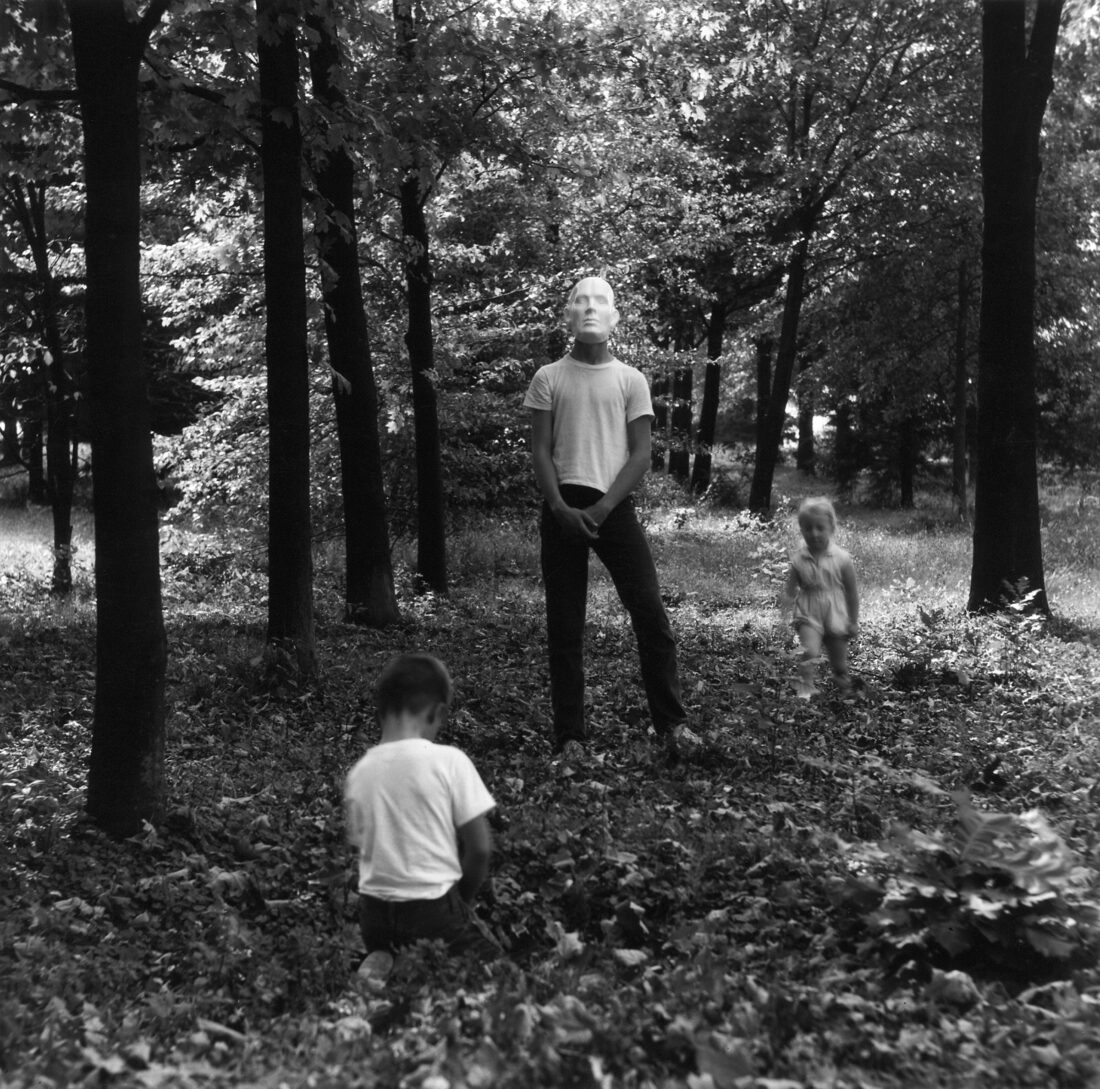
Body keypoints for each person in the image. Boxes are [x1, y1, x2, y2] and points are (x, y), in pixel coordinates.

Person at [523, 275, 689, 760]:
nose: (591, 308)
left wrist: (601, 507)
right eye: (581, 300)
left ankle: (672, 726)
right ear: (567, 314)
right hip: (561, 510)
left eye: (601, 302)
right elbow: (540, 450)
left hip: (612, 508)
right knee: (565, 625)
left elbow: (639, 455)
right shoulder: (548, 377)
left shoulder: (631, 380)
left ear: (616, 316)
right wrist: (559, 508)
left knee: (651, 615)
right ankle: (570, 737)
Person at [344, 653, 500, 970]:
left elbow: (360, 847)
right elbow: (480, 849)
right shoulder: (449, 761)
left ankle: (385, 958)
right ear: (438, 713)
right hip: (432, 912)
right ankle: (417, 963)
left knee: (402, 953)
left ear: (380, 711)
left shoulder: (359, 772)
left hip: (373, 915)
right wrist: (462, 903)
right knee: (497, 968)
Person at [782, 496, 860, 694]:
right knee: (809, 651)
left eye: (820, 527)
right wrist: (784, 613)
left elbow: (851, 593)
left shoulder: (842, 559)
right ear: (801, 530)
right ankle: (804, 691)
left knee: (839, 662)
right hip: (809, 611)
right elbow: (790, 590)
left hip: (836, 612)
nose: (814, 533)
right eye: (808, 528)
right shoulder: (799, 559)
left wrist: (853, 621)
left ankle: (845, 690)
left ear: (831, 528)